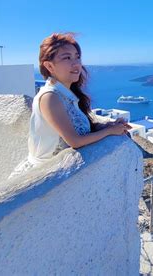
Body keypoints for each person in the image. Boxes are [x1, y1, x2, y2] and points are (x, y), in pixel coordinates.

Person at [10, 33, 130, 178]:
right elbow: (75, 141)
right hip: (43, 177)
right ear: (49, 66)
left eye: (77, 57)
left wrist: (106, 126)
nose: (76, 64)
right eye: (67, 58)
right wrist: (109, 132)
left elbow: (76, 129)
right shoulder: (50, 97)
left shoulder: (66, 94)